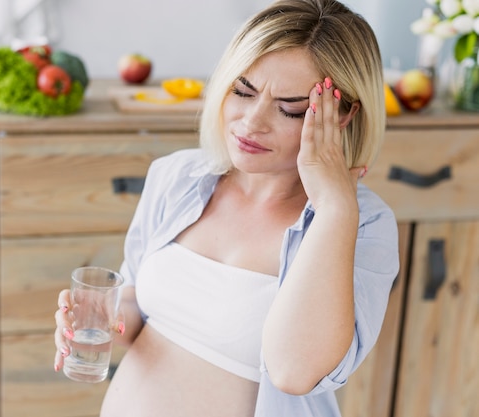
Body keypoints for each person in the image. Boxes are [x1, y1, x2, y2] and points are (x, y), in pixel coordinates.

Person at [54, 0, 400, 415]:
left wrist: (334, 209)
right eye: (242, 90)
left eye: (289, 108)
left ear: (342, 115)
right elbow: (138, 307)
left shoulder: (364, 225)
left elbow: (293, 371)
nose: (252, 122)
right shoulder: (178, 176)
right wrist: (101, 317)